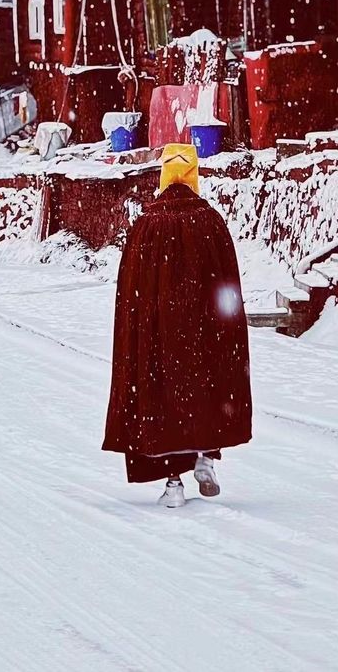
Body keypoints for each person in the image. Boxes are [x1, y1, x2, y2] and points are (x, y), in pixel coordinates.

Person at [102, 143, 252, 507]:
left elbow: (131, 294)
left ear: (164, 175)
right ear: (194, 175)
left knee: (163, 398)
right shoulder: (211, 221)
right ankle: (205, 457)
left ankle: (173, 484)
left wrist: (137, 332)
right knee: (208, 386)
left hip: (160, 331)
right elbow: (227, 283)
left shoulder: (147, 224)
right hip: (206, 329)